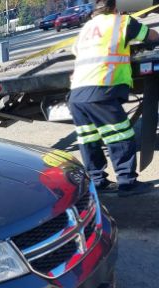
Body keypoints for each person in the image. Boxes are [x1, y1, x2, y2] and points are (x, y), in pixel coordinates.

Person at [68, 0, 159, 197]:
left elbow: (77, 51)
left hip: (76, 94)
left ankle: (98, 181)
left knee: (89, 139)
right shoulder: (122, 22)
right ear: (115, 8)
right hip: (101, 89)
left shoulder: (86, 28)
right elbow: (152, 36)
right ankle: (127, 182)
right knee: (121, 135)